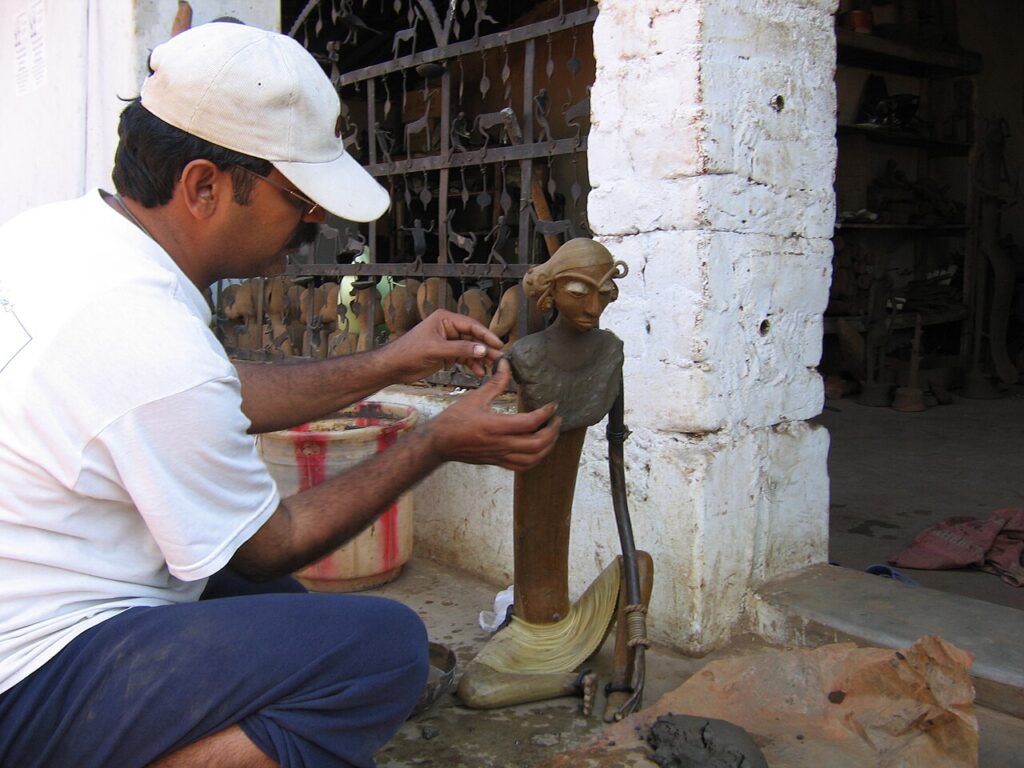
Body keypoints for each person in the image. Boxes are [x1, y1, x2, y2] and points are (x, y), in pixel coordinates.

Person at [0, 22, 560, 768]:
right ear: (203, 185)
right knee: (381, 651)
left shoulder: (60, 238)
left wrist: (393, 360)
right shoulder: (144, 333)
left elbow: (216, 394)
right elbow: (269, 544)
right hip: (27, 676)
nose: (313, 224)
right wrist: (434, 441)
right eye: (300, 199)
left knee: (285, 611)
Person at [457, 238, 653, 722]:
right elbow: (478, 421)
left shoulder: (611, 352)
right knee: (474, 688)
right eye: (578, 291)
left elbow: (615, 445)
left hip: (567, 613)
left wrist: (625, 534)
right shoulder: (523, 357)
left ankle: (622, 675)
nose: (592, 306)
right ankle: (570, 679)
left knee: (640, 565)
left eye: (603, 293)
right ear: (550, 293)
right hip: (531, 601)